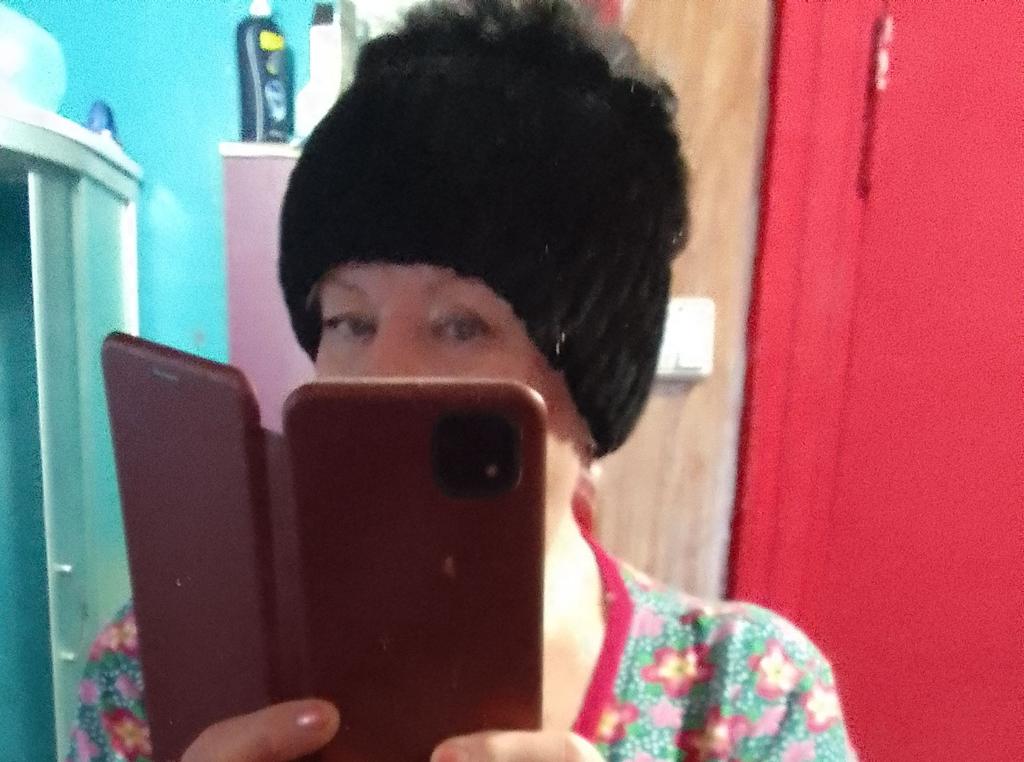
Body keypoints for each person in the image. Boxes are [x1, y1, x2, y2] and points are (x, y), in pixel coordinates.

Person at [67, 1, 855, 760]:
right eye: (350, 321)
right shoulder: (161, 669)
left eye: (462, 326)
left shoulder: (746, 699)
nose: (377, 380)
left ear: (592, 394)